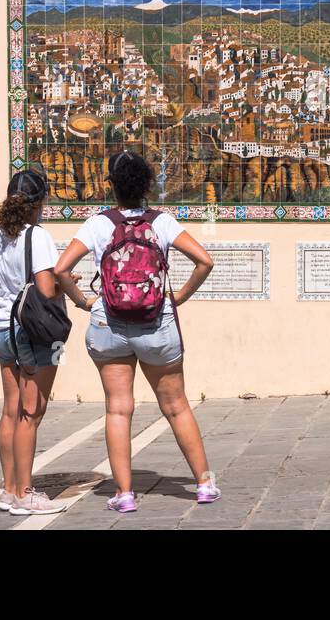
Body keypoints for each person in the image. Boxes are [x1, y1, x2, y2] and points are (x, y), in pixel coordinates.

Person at [55, 150, 219, 513]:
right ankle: (204, 484)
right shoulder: (162, 222)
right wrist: (178, 297)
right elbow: (204, 260)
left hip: (107, 324)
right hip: (156, 323)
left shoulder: (97, 224)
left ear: (110, 185)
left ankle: (124, 494)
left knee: (118, 409)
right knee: (176, 406)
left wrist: (84, 302)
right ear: (147, 185)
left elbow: (61, 270)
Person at [0, 169, 87, 517]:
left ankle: (9, 489)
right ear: (38, 202)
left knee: (11, 409)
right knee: (32, 412)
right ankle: (26, 493)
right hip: (31, 331)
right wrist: (66, 282)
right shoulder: (38, 237)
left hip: (1, 329)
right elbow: (45, 289)